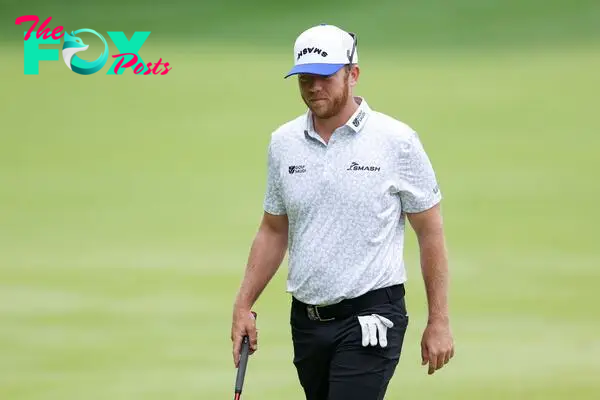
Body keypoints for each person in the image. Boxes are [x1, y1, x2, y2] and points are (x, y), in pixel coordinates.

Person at [231, 23, 454, 400]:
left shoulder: (396, 141)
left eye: (324, 76)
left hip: (372, 317)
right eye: (304, 78)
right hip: (307, 321)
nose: (313, 87)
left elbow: (429, 230)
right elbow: (273, 230)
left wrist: (439, 320)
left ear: (353, 74)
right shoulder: (284, 143)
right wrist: (243, 305)